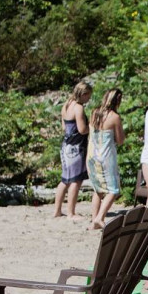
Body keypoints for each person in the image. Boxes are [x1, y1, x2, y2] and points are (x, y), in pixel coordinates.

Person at [86, 88, 125, 230]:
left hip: (91, 156)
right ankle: (100, 217)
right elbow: (120, 140)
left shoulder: (94, 113)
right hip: (105, 157)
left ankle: (93, 221)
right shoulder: (114, 117)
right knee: (113, 190)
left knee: (98, 190)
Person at [53, 81, 92, 219]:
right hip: (76, 148)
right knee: (76, 180)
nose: (89, 99)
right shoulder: (78, 108)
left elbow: (64, 128)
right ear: (84, 94)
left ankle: (57, 211)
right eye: (89, 96)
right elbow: (82, 130)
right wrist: (93, 126)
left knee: (65, 180)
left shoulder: (67, 104)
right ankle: (71, 212)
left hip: (66, 146)